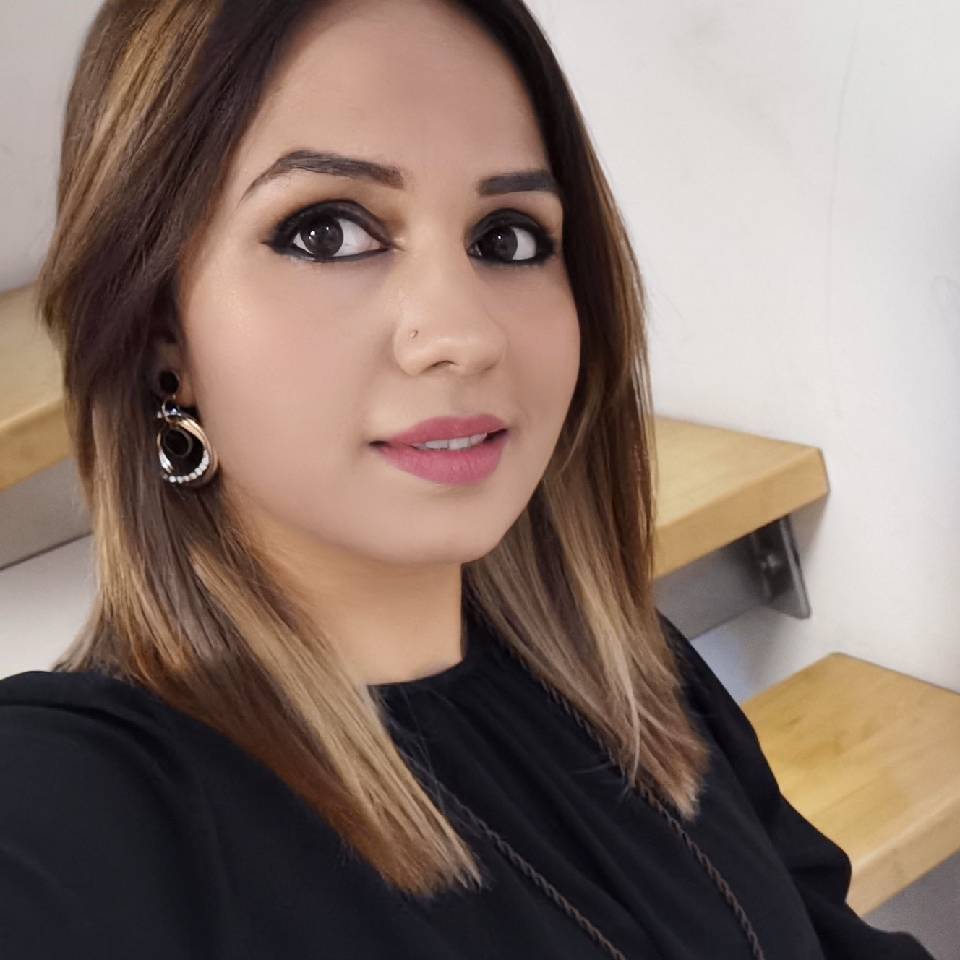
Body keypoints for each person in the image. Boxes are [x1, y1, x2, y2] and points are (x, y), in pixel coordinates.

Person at [0, 1, 936, 957]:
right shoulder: (75, 805)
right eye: (326, 233)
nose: (463, 334)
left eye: (507, 239)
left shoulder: (631, 674)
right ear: (160, 333)